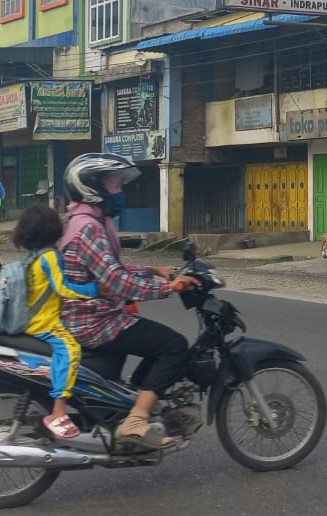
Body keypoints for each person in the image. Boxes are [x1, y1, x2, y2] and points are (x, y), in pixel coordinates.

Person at [58, 153, 197, 451]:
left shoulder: (85, 221)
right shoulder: (88, 228)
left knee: (156, 341)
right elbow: (116, 282)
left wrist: (154, 270)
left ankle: (132, 401)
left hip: (87, 315)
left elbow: (109, 270)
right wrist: (168, 288)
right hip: (94, 321)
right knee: (173, 345)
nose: (120, 190)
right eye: (114, 183)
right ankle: (136, 419)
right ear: (92, 187)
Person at [12, 205, 100, 440]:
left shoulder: (33, 257)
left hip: (32, 319)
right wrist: (95, 289)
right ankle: (59, 411)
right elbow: (63, 288)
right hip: (45, 322)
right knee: (70, 349)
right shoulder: (50, 256)